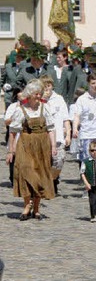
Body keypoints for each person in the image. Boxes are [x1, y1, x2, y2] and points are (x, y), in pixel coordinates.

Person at [5, 79, 56, 221]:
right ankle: (27, 205)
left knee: (40, 175)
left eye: (40, 93)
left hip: (42, 145)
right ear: (29, 94)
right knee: (25, 172)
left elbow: (51, 128)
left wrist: (53, 147)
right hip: (25, 144)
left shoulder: (45, 108)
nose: (38, 96)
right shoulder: (21, 110)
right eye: (35, 94)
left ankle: (37, 208)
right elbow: (13, 132)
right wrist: (11, 151)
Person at [41, 75, 71, 196]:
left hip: (58, 136)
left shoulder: (59, 99)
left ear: (52, 86)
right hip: (44, 137)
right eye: (44, 86)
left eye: (48, 85)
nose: (47, 88)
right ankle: (47, 186)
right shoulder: (39, 100)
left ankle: (52, 180)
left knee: (59, 161)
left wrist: (68, 134)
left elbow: (65, 118)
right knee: (44, 162)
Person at [72, 73, 96, 162]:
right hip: (86, 134)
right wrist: (75, 128)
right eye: (93, 83)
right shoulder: (82, 99)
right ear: (88, 83)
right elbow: (77, 116)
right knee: (87, 163)